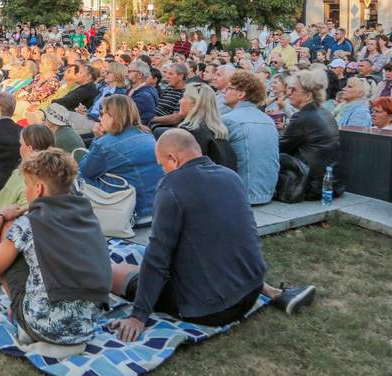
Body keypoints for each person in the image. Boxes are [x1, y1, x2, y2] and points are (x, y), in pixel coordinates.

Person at [108, 130, 316, 341]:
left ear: (173, 158)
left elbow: (157, 257)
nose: (163, 171)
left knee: (113, 272)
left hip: (212, 309)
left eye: (162, 165)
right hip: (251, 291)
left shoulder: (171, 187)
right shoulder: (231, 176)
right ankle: (273, 292)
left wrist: (138, 316)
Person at [0, 148, 111, 345]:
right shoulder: (88, 216)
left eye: (27, 185)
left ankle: (19, 317)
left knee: (7, 231)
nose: (26, 191)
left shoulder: (29, 224)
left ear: (38, 189)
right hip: (86, 328)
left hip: (42, 328)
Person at [76, 94, 163, 224]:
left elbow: (86, 170)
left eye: (102, 113)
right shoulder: (147, 134)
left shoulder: (105, 144)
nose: (99, 118)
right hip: (157, 207)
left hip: (132, 213)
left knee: (76, 176)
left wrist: (98, 138)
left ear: (114, 115)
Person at [279, 69, 341, 198]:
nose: (288, 93)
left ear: (308, 95)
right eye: (289, 89)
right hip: (330, 183)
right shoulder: (325, 112)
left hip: (310, 185)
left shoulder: (302, 117)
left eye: (293, 90)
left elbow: (279, 148)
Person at [222, 70, 280, 205]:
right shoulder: (268, 120)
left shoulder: (228, 120)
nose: (224, 91)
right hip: (267, 192)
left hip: (242, 195)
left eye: (229, 88)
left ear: (241, 94)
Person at [176, 83, 238, 171]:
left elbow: (183, 169)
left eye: (184, 97)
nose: (180, 101)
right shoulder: (219, 132)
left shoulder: (188, 132)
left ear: (194, 104)